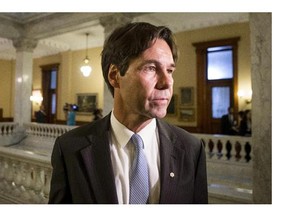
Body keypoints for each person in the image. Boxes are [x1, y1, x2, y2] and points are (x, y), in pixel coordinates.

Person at [48, 22, 208, 204]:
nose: (167, 82)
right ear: (115, 75)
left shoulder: (191, 149)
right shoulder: (70, 148)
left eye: (170, 70)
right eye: (151, 68)